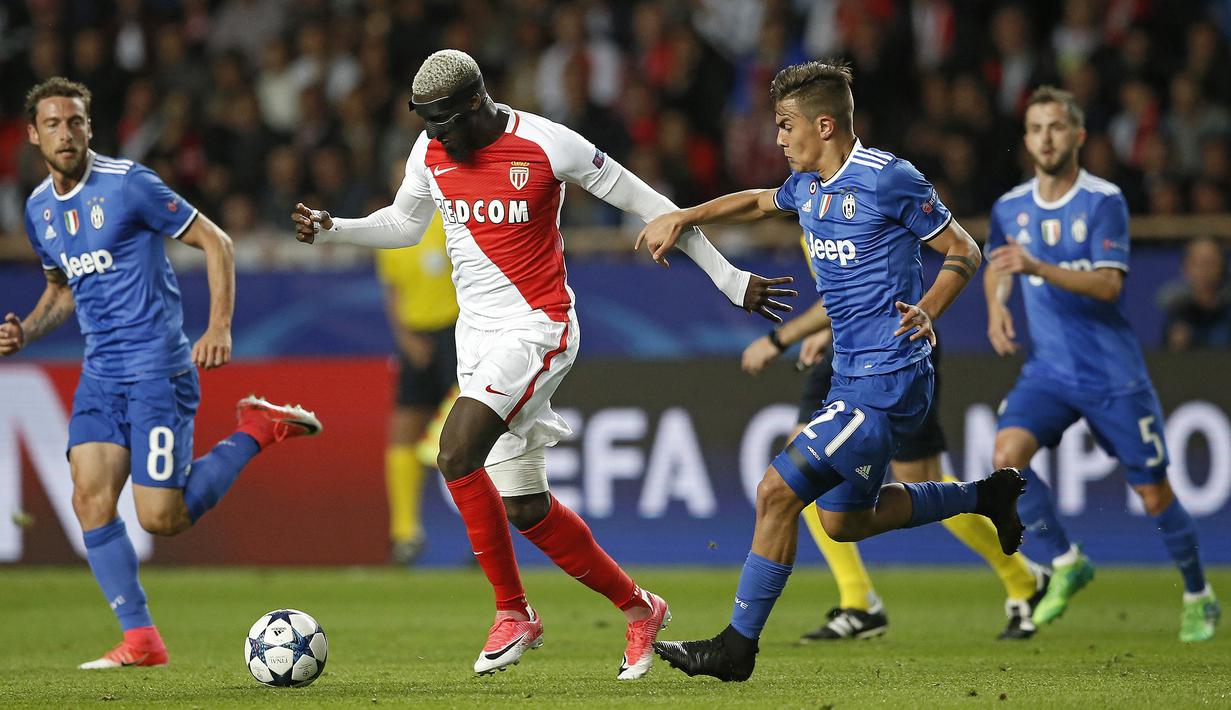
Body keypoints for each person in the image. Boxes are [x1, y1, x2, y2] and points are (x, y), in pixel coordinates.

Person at [290, 49, 796, 679]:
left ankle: (513, 612)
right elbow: (400, 224)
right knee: (525, 506)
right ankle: (641, 609)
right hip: (474, 341)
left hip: (539, 328)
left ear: (475, 102)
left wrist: (730, 280)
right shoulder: (431, 150)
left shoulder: (549, 144)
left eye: (442, 121)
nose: (433, 135)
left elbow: (653, 206)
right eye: (424, 122)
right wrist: (333, 227)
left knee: (454, 452)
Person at [642, 59, 1026, 682]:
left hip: (891, 379)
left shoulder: (889, 179)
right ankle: (987, 495)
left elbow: (964, 248)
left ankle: (736, 648)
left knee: (775, 492)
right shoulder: (809, 188)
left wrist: (928, 310)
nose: (777, 138)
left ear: (825, 125)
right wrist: (686, 216)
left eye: (786, 125)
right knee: (845, 521)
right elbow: (759, 202)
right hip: (851, 375)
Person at [0, 78, 321, 670]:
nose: (66, 134)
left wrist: (218, 326)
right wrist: (28, 331)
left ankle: (258, 426)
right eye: (53, 124)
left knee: (160, 518)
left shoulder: (129, 186)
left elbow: (217, 241)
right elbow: (60, 289)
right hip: (100, 375)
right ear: (33, 135)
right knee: (90, 499)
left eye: (75, 122)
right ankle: (142, 640)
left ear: (90, 127)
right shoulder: (39, 208)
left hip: (156, 370)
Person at [985, 86, 1221, 643]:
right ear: (1026, 139)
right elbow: (999, 262)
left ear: (1079, 136)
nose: (1046, 137)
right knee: (1005, 458)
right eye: (1037, 128)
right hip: (1049, 371)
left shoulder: (1103, 200)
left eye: (1056, 127)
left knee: (1153, 493)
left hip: (1113, 377)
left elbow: (1108, 285)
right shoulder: (1010, 206)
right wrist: (996, 304)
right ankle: (1067, 562)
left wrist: (1037, 266)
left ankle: (1198, 595)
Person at [743, 294, 1048, 642]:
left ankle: (1022, 577)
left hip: (895, 346)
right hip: (848, 348)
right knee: (801, 471)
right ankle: (858, 600)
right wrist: (829, 326)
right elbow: (837, 287)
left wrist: (779, 338)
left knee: (920, 479)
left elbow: (860, 285)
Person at [376, 198, 459, 565]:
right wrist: (406, 339)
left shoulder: (454, 217)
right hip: (415, 338)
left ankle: (484, 536)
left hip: (458, 330)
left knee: (469, 431)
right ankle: (405, 534)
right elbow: (393, 294)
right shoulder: (390, 231)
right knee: (402, 428)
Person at [1157, 236, 1231, 352]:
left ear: (1222, 266)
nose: (1204, 270)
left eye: (1210, 262)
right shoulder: (1178, 311)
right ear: (1185, 268)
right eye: (1197, 263)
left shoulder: (1227, 310)